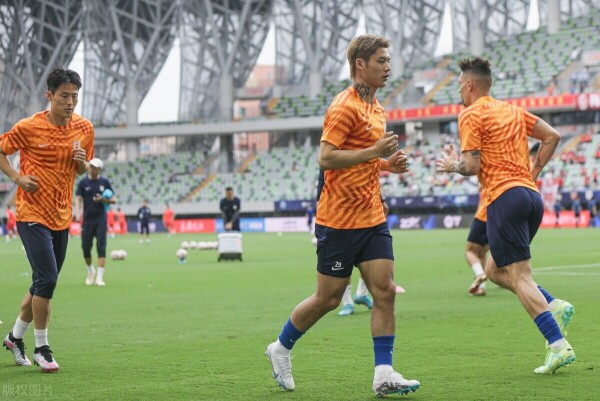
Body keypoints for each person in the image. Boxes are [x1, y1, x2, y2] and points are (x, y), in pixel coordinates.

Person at [265, 34, 419, 397]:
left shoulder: (376, 107)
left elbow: (364, 158)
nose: (388, 67)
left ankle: (383, 374)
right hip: (338, 221)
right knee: (328, 298)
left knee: (385, 291)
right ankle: (281, 347)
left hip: (372, 217)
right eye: (381, 60)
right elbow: (326, 158)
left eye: (388, 60)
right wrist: (374, 152)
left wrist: (387, 164)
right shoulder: (343, 106)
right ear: (360, 65)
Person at [436, 57, 575, 374]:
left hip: (502, 197)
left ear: (470, 84)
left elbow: (471, 166)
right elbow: (552, 136)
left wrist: (452, 166)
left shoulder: (470, 114)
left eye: (459, 85)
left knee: (519, 275)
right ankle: (553, 304)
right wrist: (532, 173)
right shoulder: (513, 110)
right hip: (530, 197)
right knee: (495, 270)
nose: (458, 90)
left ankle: (558, 345)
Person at [0, 68, 93, 372]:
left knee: (42, 282)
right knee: (48, 279)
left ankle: (14, 338)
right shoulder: (29, 127)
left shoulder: (84, 128)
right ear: (49, 95)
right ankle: (42, 348)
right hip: (31, 214)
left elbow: (81, 170)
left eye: (75, 96)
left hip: (61, 217)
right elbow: (1, 151)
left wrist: (82, 164)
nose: (70, 102)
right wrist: (17, 177)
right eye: (64, 96)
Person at [75, 157, 116, 286]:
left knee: (101, 247)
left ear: (99, 169)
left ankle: (99, 277)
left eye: (96, 168)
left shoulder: (105, 182)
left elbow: (114, 199)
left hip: (100, 219)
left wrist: (103, 199)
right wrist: (78, 212)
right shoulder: (83, 182)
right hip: (87, 220)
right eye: (92, 167)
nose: (93, 169)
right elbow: (78, 198)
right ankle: (90, 270)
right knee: (85, 248)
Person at [465, 188, 489, 296]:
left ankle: (479, 274)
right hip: (497, 219)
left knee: (469, 251)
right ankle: (481, 287)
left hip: (483, 217)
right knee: (482, 254)